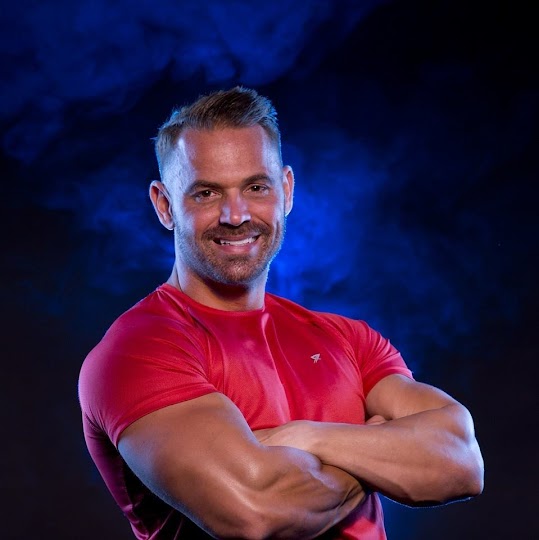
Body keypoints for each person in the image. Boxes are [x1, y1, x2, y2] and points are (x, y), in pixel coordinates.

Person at [78, 87, 484, 539]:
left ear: (286, 190)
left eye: (256, 187)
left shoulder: (347, 339)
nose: (235, 215)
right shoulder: (138, 351)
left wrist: (309, 437)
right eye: (206, 193)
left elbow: (461, 461)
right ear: (164, 204)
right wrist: (379, 451)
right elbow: (257, 512)